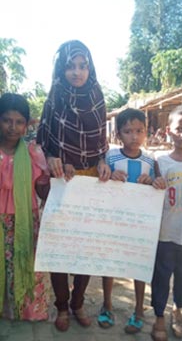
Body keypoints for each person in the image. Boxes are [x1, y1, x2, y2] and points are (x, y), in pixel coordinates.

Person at [36, 39, 111, 331]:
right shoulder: (55, 96)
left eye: (82, 66)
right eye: (70, 66)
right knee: (59, 248)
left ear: (89, 68)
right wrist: (54, 157)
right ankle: (62, 306)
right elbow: (43, 139)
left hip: (91, 179)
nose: (76, 72)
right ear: (61, 68)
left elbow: (101, 142)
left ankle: (78, 302)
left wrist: (103, 161)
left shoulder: (97, 95)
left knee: (86, 250)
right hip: (60, 181)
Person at [105, 108, 156, 334]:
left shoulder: (150, 161)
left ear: (146, 132)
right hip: (114, 222)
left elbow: (157, 185)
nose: (134, 136)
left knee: (138, 266)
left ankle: (138, 310)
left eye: (139, 131)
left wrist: (151, 182)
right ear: (118, 135)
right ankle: (107, 305)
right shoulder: (110, 157)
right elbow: (101, 183)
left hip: (139, 225)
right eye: (127, 131)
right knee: (109, 263)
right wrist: (109, 176)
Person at [0, 93, 50, 321]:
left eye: (19, 121)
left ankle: (27, 310)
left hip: (24, 220)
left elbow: (42, 189)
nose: (13, 127)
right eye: (7, 120)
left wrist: (57, 182)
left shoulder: (32, 153)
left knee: (26, 264)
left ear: (27, 124)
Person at [152, 105, 182, 341]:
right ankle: (159, 315)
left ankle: (177, 310)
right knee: (160, 276)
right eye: (179, 128)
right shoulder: (159, 161)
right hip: (164, 231)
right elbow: (149, 190)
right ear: (168, 130)